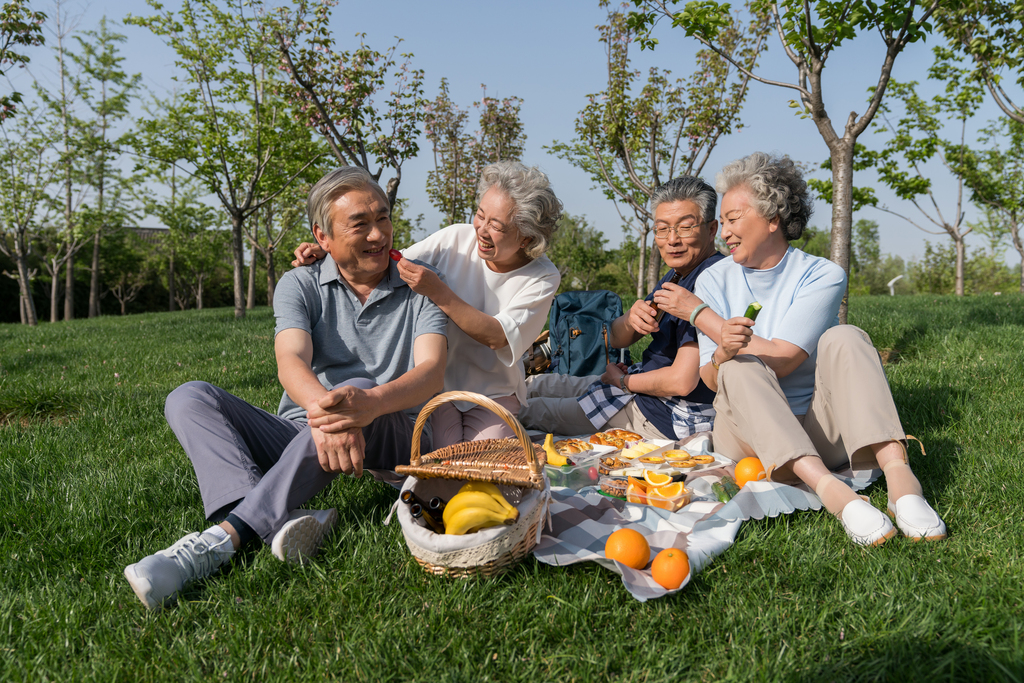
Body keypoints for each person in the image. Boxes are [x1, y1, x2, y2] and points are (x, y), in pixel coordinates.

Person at [123, 167, 449, 609]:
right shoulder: (301, 282)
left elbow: (431, 372)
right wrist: (333, 412)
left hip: (396, 427)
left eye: (384, 218)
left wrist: (366, 404)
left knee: (356, 385)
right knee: (189, 396)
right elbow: (290, 360)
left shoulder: (420, 281)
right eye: (359, 224)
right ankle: (277, 519)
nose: (379, 234)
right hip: (307, 426)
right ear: (323, 235)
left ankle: (221, 541)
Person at [678, 151, 946, 546]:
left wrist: (701, 316)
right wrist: (720, 350)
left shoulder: (820, 274)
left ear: (773, 219)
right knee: (737, 367)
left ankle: (901, 478)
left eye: (734, 219)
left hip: (821, 432)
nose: (724, 234)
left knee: (846, 336)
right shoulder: (714, 280)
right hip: (749, 437)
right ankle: (834, 493)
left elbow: (785, 359)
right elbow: (710, 378)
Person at [294, 161, 561, 449]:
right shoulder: (456, 238)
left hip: (494, 390)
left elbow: (497, 336)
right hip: (438, 386)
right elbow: (393, 260)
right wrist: (333, 247)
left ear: (527, 237)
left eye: (496, 226)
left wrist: (438, 291)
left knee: (485, 456)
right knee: (443, 454)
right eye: (480, 215)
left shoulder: (542, 276)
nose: (481, 230)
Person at [517, 176, 725, 441]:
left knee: (528, 409)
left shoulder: (708, 283)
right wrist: (631, 320)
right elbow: (617, 337)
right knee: (534, 385)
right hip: (641, 386)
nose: (672, 240)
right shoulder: (677, 274)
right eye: (662, 229)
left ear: (712, 229)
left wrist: (622, 382)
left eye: (685, 227)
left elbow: (681, 381)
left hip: (662, 411)